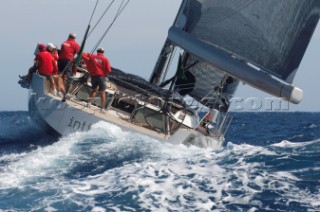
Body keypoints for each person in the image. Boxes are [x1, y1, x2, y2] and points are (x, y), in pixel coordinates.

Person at [82, 47, 112, 113]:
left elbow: (84, 55)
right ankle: (102, 109)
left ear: (97, 51)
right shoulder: (105, 59)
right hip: (101, 77)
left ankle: (88, 103)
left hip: (93, 76)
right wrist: (104, 73)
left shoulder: (92, 56)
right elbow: (109, 70)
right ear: (103, 52)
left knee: (94, 90)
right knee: (102, 92)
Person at [58, 32, 80, 101]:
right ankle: (66, 93)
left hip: (61, 59)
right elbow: (79, 53)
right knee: (69, 77)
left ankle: (59, 91)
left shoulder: (64, 42)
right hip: (68, 61)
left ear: (69, 36)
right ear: (74, 38)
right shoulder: (75, 44)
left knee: (60, 75)